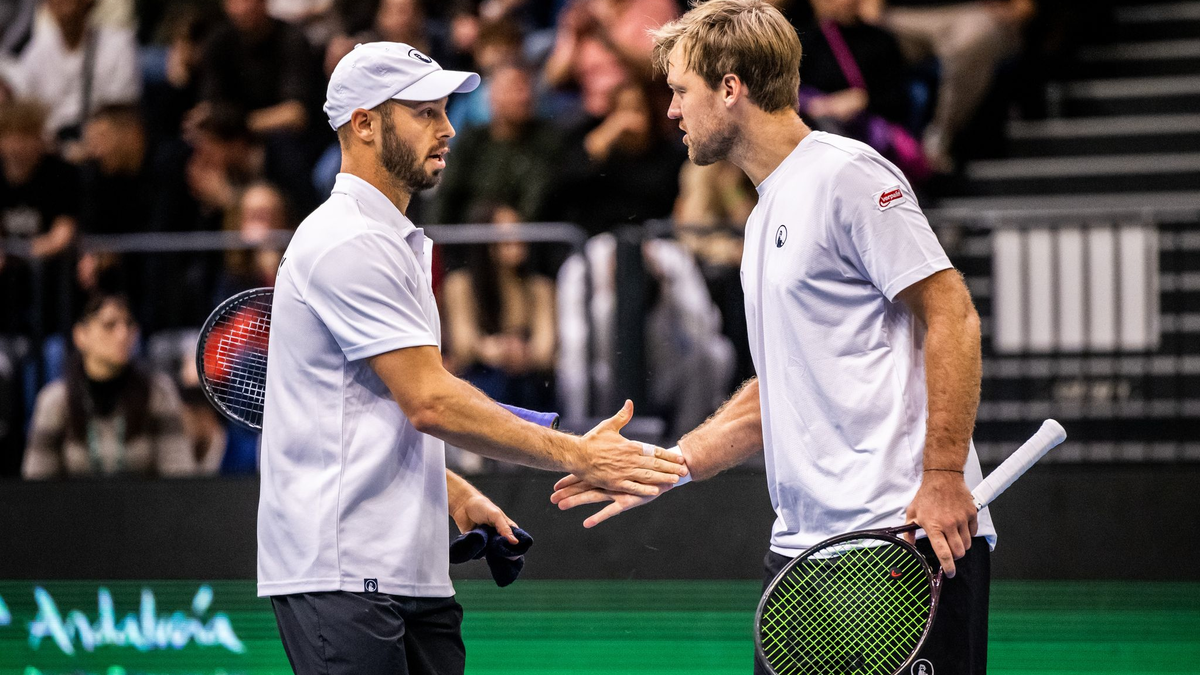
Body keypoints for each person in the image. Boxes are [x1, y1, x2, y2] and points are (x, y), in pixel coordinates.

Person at [551, 3, 994, 674]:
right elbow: (781, 387)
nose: (670, 110)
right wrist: (669, 464)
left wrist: (940, 476)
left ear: (730, 88)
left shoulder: (848, 175)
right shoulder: (763, 215)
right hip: (805, 552)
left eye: (679, 89)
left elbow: (953, 314)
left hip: (901, 537)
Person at [259, 41, 686, 675]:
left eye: (445, 110)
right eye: (425, 112)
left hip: (414, 571)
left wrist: (451, 491)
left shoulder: (395, 240)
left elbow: (377, 408)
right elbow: (428, 400)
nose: (449, 127)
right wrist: (576, 453)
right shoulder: (344, 241)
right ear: (366, 124)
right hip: (343, 571)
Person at [22, 292, 194, 479]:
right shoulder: (55, 400)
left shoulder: (159, 392)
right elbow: (36, 485)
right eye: (109, 325)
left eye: (128, 325)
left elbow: (180, 478)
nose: (122, 334)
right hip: (73, 507)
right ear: (81, 335)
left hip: (145, 506)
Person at [0, 0, 140, 145]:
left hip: (99, 142)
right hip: (51, 148)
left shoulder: (118, 44)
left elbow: (122, 112)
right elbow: (25, 108)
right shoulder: (37, 51)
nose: (65, 7)